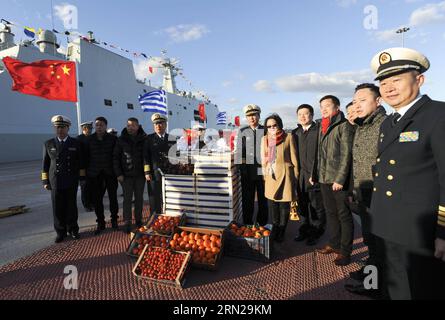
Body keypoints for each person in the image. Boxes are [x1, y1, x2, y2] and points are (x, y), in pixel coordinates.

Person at [369, 47, 445, 300]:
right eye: (384, 82)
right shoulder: (388, 123)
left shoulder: (438, 115)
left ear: (419, 79)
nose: (389, 87)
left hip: (419, 233)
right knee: (394, 288)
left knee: (421, 290)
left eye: (397, 79)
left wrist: (443, 233)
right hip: (386, 224)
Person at [344, 83, 387, 297]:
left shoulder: (385, 125)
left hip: (379, 197)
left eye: (362, 100)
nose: (357, 105)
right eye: (354, 101)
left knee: (380, 243)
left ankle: (375, 286)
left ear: (377, 101)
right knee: (371, 241)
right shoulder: (363, 126)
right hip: (364, 193)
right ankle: (371, 275)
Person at [314, 95, 355, 266]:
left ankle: (345, 252)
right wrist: (315, 174)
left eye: (327, 106)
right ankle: (334, 243)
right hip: (324, 177)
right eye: (321, 106)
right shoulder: (322, 126)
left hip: (338, 180)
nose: (324, 109)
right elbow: (319, 154)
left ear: (337, 108)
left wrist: (340, 178)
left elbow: (346, 155)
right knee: (331, 213)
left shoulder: (343, 126)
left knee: (343, 215)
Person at [42, 115, 86, 243]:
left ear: (68, 128)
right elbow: (45, 164)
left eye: (62, 127)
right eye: (57, 127)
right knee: (57, 208)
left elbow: (81, 163)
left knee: (71, 207)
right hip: (55, 181)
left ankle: (73, 229)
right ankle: (60, 232)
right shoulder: (48, 143)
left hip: (71, 180)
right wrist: (45, 181)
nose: (59, 130)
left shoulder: (75, 143)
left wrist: (82, 178)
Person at [261, 114, 299, 242]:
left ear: (279, 125)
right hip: (271, 176)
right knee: (272, 205)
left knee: (284, 206)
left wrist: (296, 177)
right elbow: (263, 160)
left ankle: (282, 230)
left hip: (285, 176)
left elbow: (294, 158)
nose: (272, 128)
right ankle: (275, 227)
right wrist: (264, 175)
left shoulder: (288, 137)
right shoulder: (265, 139)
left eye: (274, 125)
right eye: (269, 126)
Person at [292, 104, 326, 246]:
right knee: (302, 205)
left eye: (306, 114)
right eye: (300, 114)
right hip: (300, 177)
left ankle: (316, 233)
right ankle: (304, 230)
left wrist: (317, 173)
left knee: (316, 206)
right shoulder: (295, 133)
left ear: (311, 115)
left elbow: (323, 154)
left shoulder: (319, 130)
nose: (303, 117)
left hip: (314, 175)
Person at [235, 104, 268, 226]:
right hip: (247, 171)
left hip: (262, 171)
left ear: (259, 116)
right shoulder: (243, 131)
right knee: (247, 200)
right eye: (249, 116)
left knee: (263, 200)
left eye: (254, 115)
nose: (252, 118)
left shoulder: (266, 130)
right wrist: (242, 170)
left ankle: (262, 223)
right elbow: (239, 152)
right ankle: (247, 224)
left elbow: (272, 151)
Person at [85, 117, 119, 235]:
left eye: (101, 125)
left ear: (105, 126)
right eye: (97, 125)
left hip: (110, 173)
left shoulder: (113, 139)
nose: (99, 127)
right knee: (97, 200)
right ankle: (101, 222)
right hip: (95, 174)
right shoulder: (89, 140)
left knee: (113, 198)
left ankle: (114, 220)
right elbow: (86, 158)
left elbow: (116, 156)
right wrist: (87, 173)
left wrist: (117, 172)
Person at [113, 118, 147, 234]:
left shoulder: (144, 138)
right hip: (126, 176)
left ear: (138, 126)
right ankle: (127, 222)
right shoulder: (121, 139)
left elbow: (146, 157)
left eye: (133, 125)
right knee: (127, 200)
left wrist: (147, 172)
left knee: (139, 199)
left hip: (140, 176)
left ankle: (138, 220)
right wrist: (119, 174)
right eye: (128, 125)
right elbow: (116, 158)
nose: (130, 127)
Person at [144, 113, 176, 216]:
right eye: (156, 124)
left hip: (169, 172)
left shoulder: (172, 138)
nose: (158, 126)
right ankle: (155, 216)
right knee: (154, 196)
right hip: (154, 172)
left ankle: (169, 215)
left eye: (161, 123)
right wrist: (147, 172)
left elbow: (176, 155)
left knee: (169, 195)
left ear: (165, 124)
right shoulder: (149, 139)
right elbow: (145, 157)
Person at [77, 121, 94, 212]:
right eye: (89, 128)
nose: (90, 130)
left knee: (92, 186)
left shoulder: (92, 138)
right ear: (84, 129)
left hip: (92, 166)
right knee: (85, 187)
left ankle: (92, 203)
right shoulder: (79, 139)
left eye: (91, 128)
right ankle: (86, 205)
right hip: (82, 167)